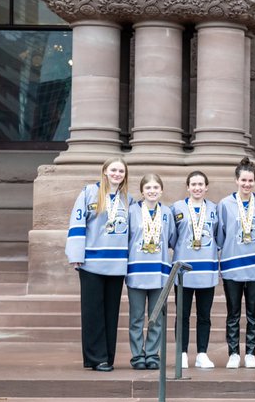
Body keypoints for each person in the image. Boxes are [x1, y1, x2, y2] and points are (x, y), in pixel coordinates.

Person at [66, 158, 131, 372]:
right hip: (92, 262)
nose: (117, 174)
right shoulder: (88, 193)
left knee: (111, 312)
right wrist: (76, 255)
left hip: (117, 263)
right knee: (93, 311)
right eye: (113, 170)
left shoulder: (127, 199)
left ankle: (107, 357)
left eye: (121, 171)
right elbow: (77, 224)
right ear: (104, 172)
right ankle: (96, 357)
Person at [215, 158, 255, 369]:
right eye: (243, 180)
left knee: (253, 311)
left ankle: (251, 352)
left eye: (250, 181)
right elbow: (221, 234)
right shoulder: (225, 204)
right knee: (233, 311)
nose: (247, 184)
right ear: (236, 180)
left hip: (254, 263)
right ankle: (234, 352)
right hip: (232, 263)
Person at [171, 170, 221, 370]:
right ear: (188, 187)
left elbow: (219, 236)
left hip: (206, 269)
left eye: (201, 184)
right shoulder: (177, 208)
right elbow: (172, 236)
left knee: (204, 315)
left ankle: (202, 353)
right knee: (182, 314)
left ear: (206, 187)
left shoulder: (214, 209)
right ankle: (181, 353)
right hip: (184, 270)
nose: (197, 188)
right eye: (194, 184)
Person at [125, 173, 175, 370]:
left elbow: (172, 238)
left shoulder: (167, 213)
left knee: (156, 317)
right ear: (142, 191)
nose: (152, 191)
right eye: (148, 188)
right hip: (136, 272)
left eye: (156, 188)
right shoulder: (131, 211)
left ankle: (153, 354)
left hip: (159, 272)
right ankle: (137, 354)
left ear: (161, 191)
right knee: (136, 317)